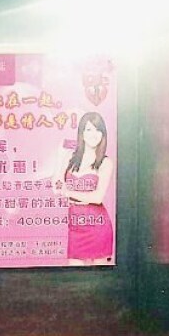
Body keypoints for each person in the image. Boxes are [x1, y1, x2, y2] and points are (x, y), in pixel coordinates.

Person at [53, 112, 114, 266]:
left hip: (97, 226)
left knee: (100, 278)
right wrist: (60, 157)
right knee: (74, 276)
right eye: (88, 129)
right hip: (76, 225)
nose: (94, 134)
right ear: (82, 133)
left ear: (103, 134)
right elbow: (57, 187)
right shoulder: (70, 158)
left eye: (98, 130)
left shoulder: (105, 163)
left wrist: (68, 193)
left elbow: (97, 198)